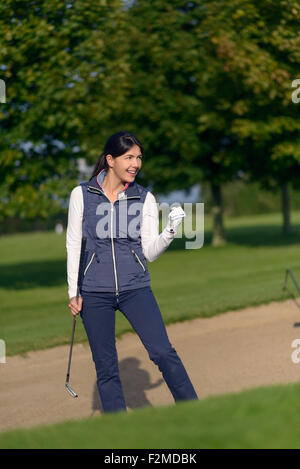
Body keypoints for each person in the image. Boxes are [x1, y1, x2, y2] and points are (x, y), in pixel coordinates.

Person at [66, 130, 198, 413]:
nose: (136, 164)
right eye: (129, 157)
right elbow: (73, 244)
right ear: (110, 160)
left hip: (135, 287)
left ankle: (193, 412)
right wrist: (73, 292)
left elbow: (149, 251)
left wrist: (171, 230)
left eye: (138, 158)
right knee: (106, 366)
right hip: (94, 292)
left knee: (163, 352)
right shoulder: (82, 194)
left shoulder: (144, 198)